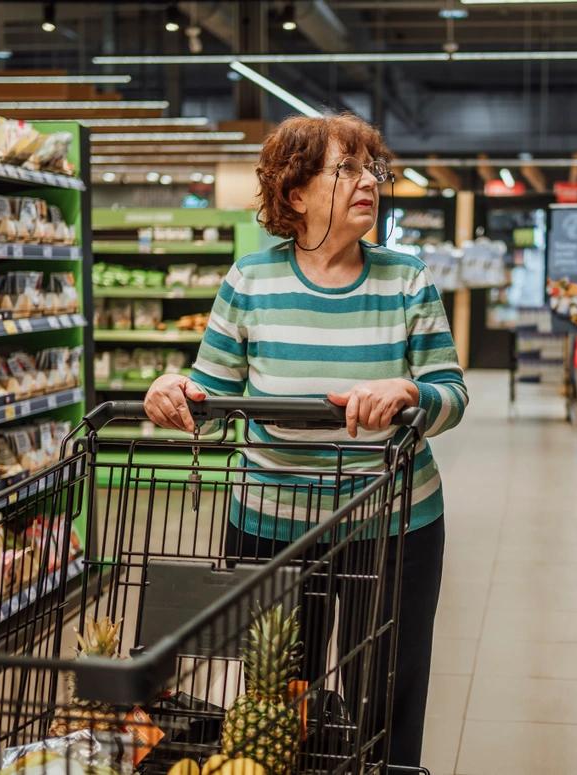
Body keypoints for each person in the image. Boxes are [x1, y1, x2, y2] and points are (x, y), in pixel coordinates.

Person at [143, 112, 467, 766]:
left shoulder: (406, 279)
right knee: (274, 694)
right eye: (345, 168)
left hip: (395, 525)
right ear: (295, 193)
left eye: (371, 166)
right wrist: (172, 391)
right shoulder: (249, 282)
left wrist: (408, 393)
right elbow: (208, 392)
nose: (368, 180)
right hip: (272, 523)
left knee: (387, 697)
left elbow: (451, 395)